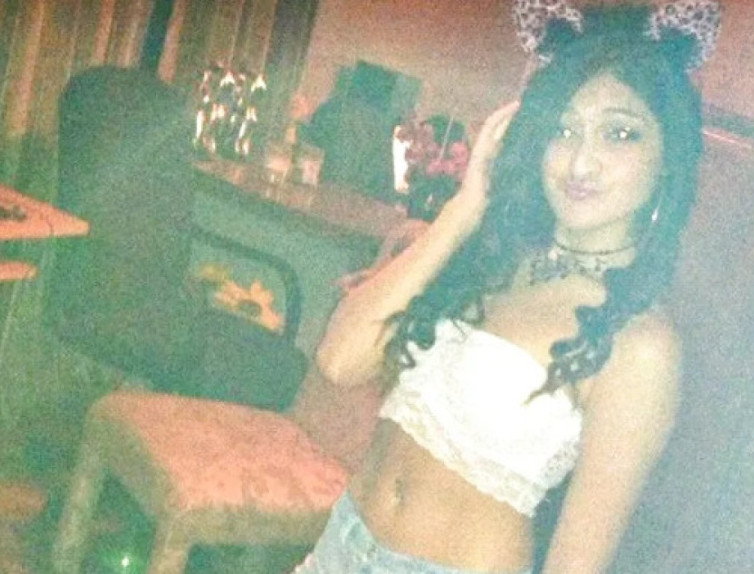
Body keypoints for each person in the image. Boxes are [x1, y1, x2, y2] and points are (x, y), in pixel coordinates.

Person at [297, 1, 721, 572]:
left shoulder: (641, 344)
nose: (581, 162)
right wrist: (462, 210)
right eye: (563, 130)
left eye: (620, 133)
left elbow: (576, 564)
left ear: (668, 157)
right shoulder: (490, 257)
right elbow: (338, 359)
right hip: (338, 546)